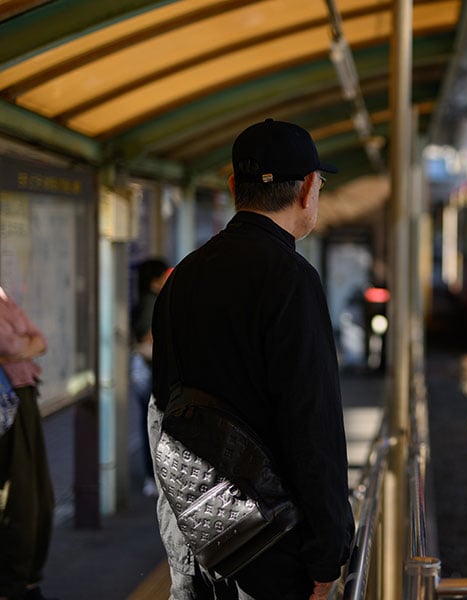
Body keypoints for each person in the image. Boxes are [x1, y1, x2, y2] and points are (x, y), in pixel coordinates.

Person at [149, 118, 355, 600]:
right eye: (320, 183)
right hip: (271, 550)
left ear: (232, 187)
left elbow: (161, 412)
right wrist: (329, 551)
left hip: (195, 536)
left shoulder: (184, 277)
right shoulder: (292, 280)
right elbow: (313, 425)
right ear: (307, 188)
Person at [0, 286, 54, 600]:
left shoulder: (4, 297)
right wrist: (24, 345)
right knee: (16, 493)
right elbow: (8, 342)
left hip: (23, 393)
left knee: (37, 492)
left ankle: (27, 580)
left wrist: (21, 347)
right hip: (7, 401)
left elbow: (40, 339)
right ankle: (11, 585)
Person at [129, 257, 169, 497]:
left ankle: (152, 476)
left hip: (146, 369)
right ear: (155, 281)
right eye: (165, 275)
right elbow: (147, 337)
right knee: (153, 424)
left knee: (152, 424)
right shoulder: (151, 303)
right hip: (148, 369)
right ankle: (151, 477)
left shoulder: (150, 300)